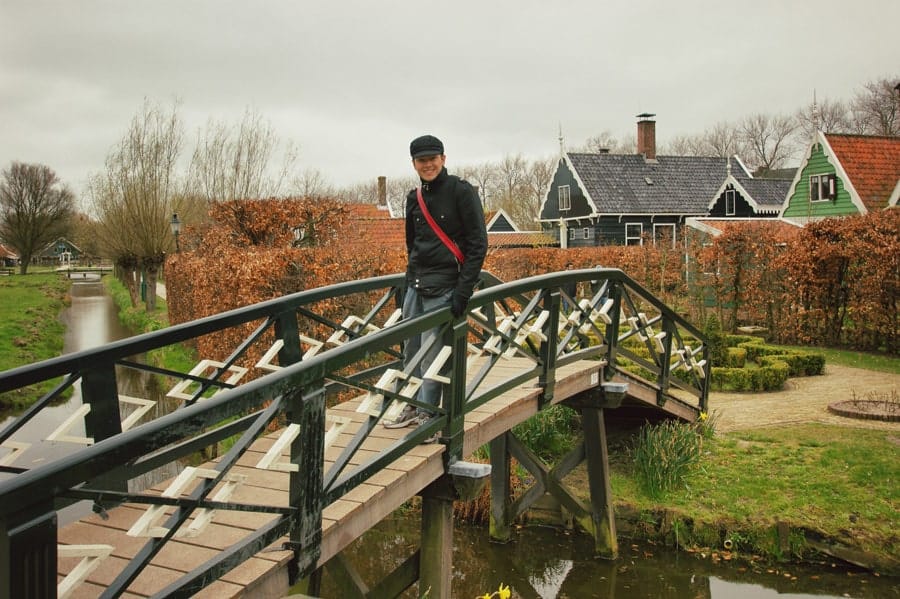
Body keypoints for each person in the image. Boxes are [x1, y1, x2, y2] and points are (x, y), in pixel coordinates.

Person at [383, 134, 488, 433]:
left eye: (433, 158)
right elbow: (412, 245)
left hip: (445, 287)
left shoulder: (461, 192)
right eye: (421, 160)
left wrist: (463, 291)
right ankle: (412, 406)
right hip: (416, 286)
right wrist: (407, 286)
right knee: (410, 351)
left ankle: (430, 416)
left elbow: (478, 244)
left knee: (433, 355)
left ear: (443, 158)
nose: (428, 164)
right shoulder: (413, 198)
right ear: (414, 163)